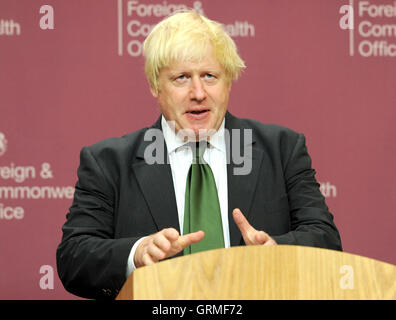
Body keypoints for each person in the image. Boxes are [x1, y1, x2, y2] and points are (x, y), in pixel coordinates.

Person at [56, 10, 342, 300]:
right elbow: (74, 257)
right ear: (155, 86)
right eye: (181, 78)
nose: (198, 92)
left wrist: (276, 254)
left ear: (228, 80)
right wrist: (136, 253)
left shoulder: (282, 149)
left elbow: (326, 239)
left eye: (209, 76)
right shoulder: (108, 162)